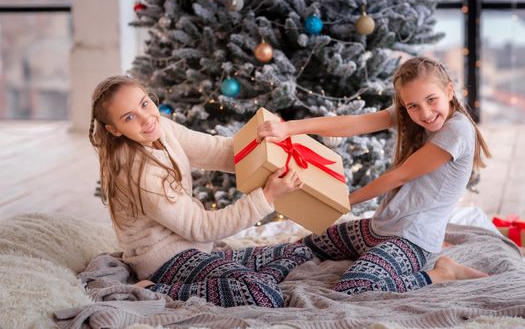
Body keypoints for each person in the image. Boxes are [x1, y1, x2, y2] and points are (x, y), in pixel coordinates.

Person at [257, 56, 491, 295]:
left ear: (449, 91)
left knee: (353, 288)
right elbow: (354, 123)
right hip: (380, 228)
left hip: (412, 242)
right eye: (413, 106)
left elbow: (399, 176)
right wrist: (289, 127)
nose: (425, 112)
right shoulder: (410, 115)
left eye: (432, 100)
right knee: (306, 246)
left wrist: (345, 202)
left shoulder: (458, 130)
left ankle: (442, 273)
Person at [88, 75, 314, 308]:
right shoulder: (140, 173)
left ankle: (232, 277)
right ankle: (154, 288)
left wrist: (258, 142)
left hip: (199, 250)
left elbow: (217, 151)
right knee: (264, 295)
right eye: (129, 117)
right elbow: (202, 228)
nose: (146, 119)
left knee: (298, 253)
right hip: (166, 262)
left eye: (144, 104)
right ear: (114, 130)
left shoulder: (161, 128)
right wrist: (268, 197)